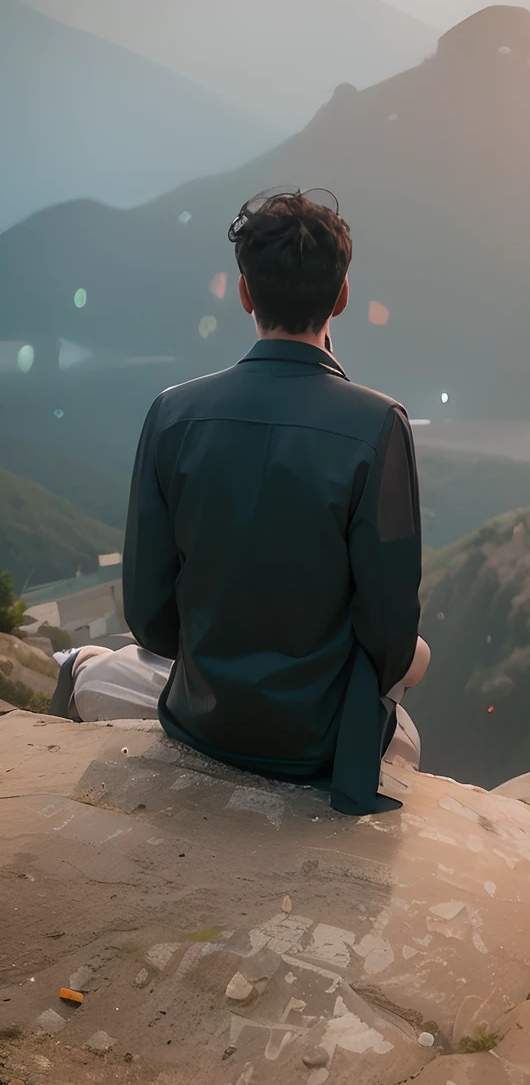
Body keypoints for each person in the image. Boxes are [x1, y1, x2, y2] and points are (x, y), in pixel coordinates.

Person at [58, 189, 429, 815]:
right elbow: (390, 636)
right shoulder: (379, 427)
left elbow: (150, 619)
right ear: (341, 296)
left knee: (98, 674)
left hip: (200, 722)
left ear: (245, 293)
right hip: (318, 741)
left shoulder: (172, 414)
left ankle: (84, 665)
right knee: (414, 695)